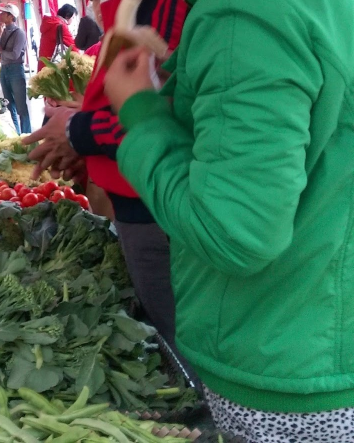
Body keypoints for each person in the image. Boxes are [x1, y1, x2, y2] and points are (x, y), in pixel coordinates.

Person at [33, 0, 354, 439]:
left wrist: (141, 111)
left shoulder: (247, 19)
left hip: (284, 372)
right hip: (313, 338)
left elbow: (237, 233)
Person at [24, 0, 189, 350]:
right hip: (138, 194)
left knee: (184, 344)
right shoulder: (129, 8)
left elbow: (172, 112)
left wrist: (78, 131)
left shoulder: (171, 9)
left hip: (157, 201)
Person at [0, 3, 31, 134]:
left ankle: (26, 135)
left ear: (10, 16)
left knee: (21, 107)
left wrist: (2, 52)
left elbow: (15, 55)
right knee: (8, 105)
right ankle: (16, 135)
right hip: (4, 69)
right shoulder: (2, 31)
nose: (0, 15)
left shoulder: (19, 33)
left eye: (3, 13)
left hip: (16, 70)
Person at [38, 4, 77, 71]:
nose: (73, 20)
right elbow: (73, 46)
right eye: (73, 17)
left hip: (44, 62)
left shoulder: (49, 22)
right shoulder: (60, 26)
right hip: (52, 66)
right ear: (67, 16)